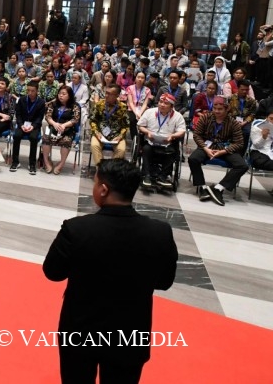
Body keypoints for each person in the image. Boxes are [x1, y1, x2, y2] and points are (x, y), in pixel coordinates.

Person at [43, 159, 178, 384]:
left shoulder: (76, 229)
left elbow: (53, 272)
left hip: (80, 330)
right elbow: (165, 281)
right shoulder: (160, 232)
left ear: (103, 189)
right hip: (131, 332)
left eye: (95, 183)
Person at [188, 96, 248, 206]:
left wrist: (224, 151)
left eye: (220, 109)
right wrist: (205, 149)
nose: (216, 111)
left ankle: (219, 188)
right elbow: (197, 135)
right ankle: (202, 187)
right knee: (193, 159)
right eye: (215, 108)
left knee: (242, 165)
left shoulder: (233, 123)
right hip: (207, 146)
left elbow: (239, 143)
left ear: (227, 109)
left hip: (225, 148)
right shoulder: (205, 118)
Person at [137, 93, 186, 189]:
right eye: (160, 102)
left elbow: (182, 131)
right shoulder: (149, 112)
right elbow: (140, 125)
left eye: (166, 103)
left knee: (172, 151)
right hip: (151, 141)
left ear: (171, 106)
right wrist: (147, 132)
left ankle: (163, 176)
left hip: (168, 143)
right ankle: (146, 176)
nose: (162, 105)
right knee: (146, 149)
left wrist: (172, 136)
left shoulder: (177, 116)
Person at [41, 86, 80, 175]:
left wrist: (64, 125)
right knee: (46, 138)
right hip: (53, 128)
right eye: (59, 93)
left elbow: (75, 119)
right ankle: (47, 162)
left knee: (66, 141)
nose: (60, 96)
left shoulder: (75, 106)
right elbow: (48, 116)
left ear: (69, 96)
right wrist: (54, 123)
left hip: (67, 130)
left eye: (64, 94)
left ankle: (61, 164)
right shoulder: (53, 103)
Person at [90, 85, 130, 165]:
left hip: (117, 135)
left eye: (109, 94)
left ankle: (111, 170)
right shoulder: (99, 104)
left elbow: (126, 125)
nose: (106, 95)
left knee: (121, 150)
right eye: (106, 93)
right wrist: (97, 132)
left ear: (117, 95)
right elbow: (92, 120)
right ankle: (100, 170)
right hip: (100, 134)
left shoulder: (123, 107)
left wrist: (120, 136)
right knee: (94, 146)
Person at [12, 81, 46, 174]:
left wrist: (33, 126)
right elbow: (18, 114)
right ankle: (15, 162)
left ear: (37, 91)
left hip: (34, 126)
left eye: (32, 91)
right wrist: (21, 125)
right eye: (28, 91)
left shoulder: (41, 102)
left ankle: (32, 164)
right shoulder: (22, 100)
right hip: (22, 124)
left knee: (33, 137)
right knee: (16, 136)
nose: (30, 93)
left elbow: (40, 117)